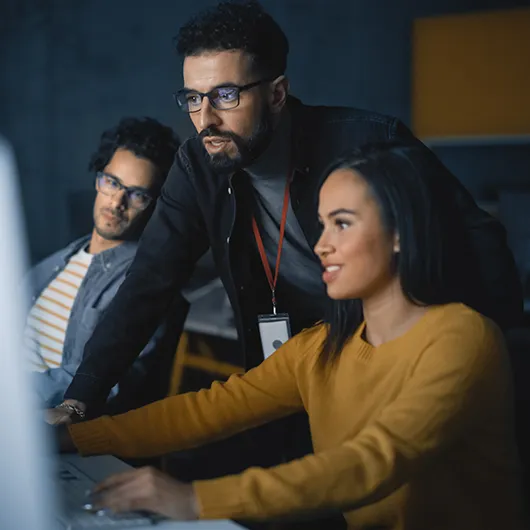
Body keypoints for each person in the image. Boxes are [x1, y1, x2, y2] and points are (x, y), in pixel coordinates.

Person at [55, 0, 521, 472]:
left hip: (383, 353)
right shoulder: (198, 164)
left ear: (277, 93)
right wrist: (78, 404)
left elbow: (480, 243)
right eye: (193, 98)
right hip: (291, 360)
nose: (205, 120)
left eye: (226, 95)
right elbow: (148, 282)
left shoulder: (367, 143)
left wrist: (470, 359)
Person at [59, 143, 525, 529]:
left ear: (400, 232)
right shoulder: (321, 346)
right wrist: (77, 437)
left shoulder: (462, 337)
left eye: (342, 223)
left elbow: (375, 459)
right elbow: (207, 410)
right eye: (322, 224)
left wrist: (195, 499)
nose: (321, 244)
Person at [25, 117, 187, 414]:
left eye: (137, 194)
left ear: (154, 205)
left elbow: (110, 379)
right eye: (112, 182)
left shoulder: (147, 287)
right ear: (98, 178)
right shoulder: (55, 263)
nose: (116, 202)